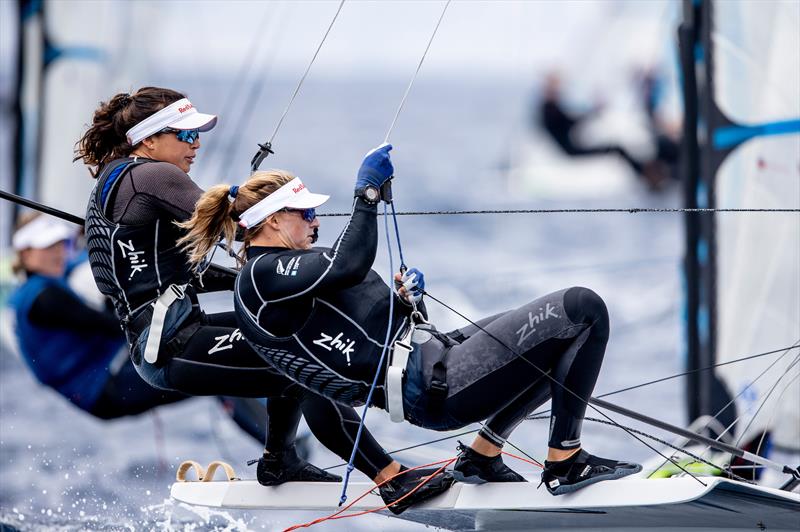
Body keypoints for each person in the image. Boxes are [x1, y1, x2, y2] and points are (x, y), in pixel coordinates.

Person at [178, 143, 643, 495]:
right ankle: (565, 461)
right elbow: (349, 266)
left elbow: (350, 322)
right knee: (583, 308)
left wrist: (404, 302)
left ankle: (483, 456)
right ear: (274, 221)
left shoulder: (284, 275)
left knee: (563, 332)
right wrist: (367, 194)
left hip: (437, 357)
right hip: (437, 386)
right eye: (307, 214)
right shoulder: (261, 276)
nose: (316, 221)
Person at [74, 87, 451, 513]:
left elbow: (146, 276)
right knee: (302, 366)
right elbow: (243, 228)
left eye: (197, 135)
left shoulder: (113, 179)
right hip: (170, 345)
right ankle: (391, 479)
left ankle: (279, 461)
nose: (196, 144)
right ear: (149, 139)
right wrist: (280, 210)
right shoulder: (154, 176)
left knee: (284, 342)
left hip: (158, 336)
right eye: (185, 135)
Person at [7, 213, 270, 443]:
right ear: (25, 254)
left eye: (59, 244)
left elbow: (89, 259)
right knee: (212, 369)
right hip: (108, 389)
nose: (57, 252)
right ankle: (278, 450)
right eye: (47, 247)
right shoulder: (43, 299)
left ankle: (281, 442)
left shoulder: (50, 281)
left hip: (112, 379)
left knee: (214, 366)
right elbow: (113, 326)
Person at [537, 72, 647, 180]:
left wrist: (591, 113)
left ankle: (645, 171)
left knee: (616, 148)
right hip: (572, 149)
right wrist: (592, 112)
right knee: (617, 149)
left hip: (573, 145)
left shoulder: (551, 109)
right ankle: (645, 173)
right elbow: (569, 122)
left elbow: (569, 122)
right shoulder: (549, 109)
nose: (558, 92)